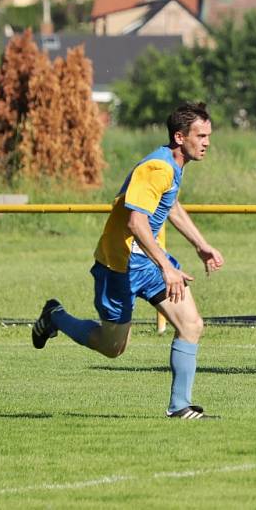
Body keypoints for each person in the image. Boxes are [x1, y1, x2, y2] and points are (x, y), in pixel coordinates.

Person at [31, 102, 224, 419]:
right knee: (112, 347)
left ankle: (180, 407)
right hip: (119, 266)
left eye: (208, 136)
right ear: (179, 137)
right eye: (200, 135)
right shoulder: (157, 168)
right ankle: (55, 316)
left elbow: (170, 206)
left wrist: (201, 245)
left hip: (148, 262)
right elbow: (136, 223)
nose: (206, 142)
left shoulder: (173, 168)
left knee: (191, 325)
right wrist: (168, 267)